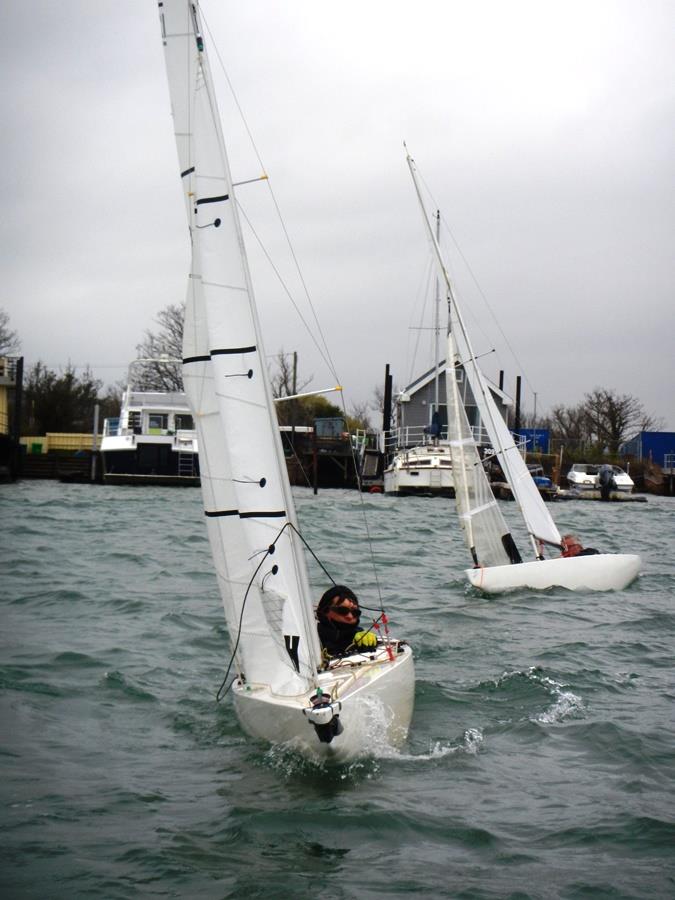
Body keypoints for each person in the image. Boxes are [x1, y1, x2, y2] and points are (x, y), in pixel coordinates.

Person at [316, 585, 378, 657]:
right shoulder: (313, 636)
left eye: (355, 611)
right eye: (342, 610)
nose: (350, 616)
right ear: (325, 611)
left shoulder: (360, 636)